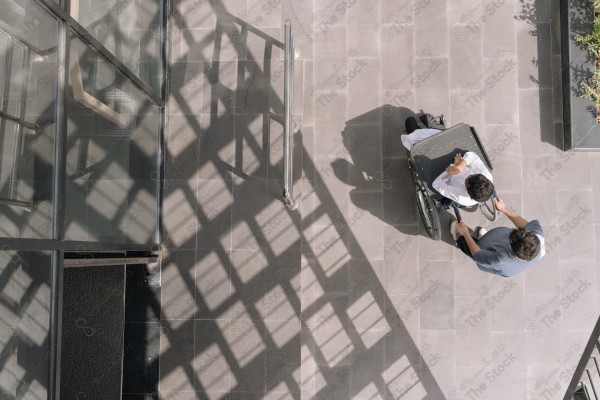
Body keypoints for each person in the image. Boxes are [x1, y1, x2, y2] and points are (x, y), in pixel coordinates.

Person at [402, 116, 495, 207]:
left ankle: (419, 134)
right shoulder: (487, 176)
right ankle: (436, 129)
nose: (469, 176)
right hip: (455, 158)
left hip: (441, 171)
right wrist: (461, 165)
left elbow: (437, 184)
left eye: (468, 180)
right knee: (450, 138)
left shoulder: (462, 197)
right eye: (472, 175)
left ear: (468, 191)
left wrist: (451, 169)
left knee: (411, 129)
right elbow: (473, 156)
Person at [451, 197, 545, 277]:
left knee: (468, 246)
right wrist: (504, 208)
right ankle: (485, 240)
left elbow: (478, 255)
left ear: (513, 252)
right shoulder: (537, 236)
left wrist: (465, 233)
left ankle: (459, 238)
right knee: (486, 242)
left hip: (484, 256)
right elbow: (525, 225)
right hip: (496, 241)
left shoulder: (500, 260)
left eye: (510, 239)